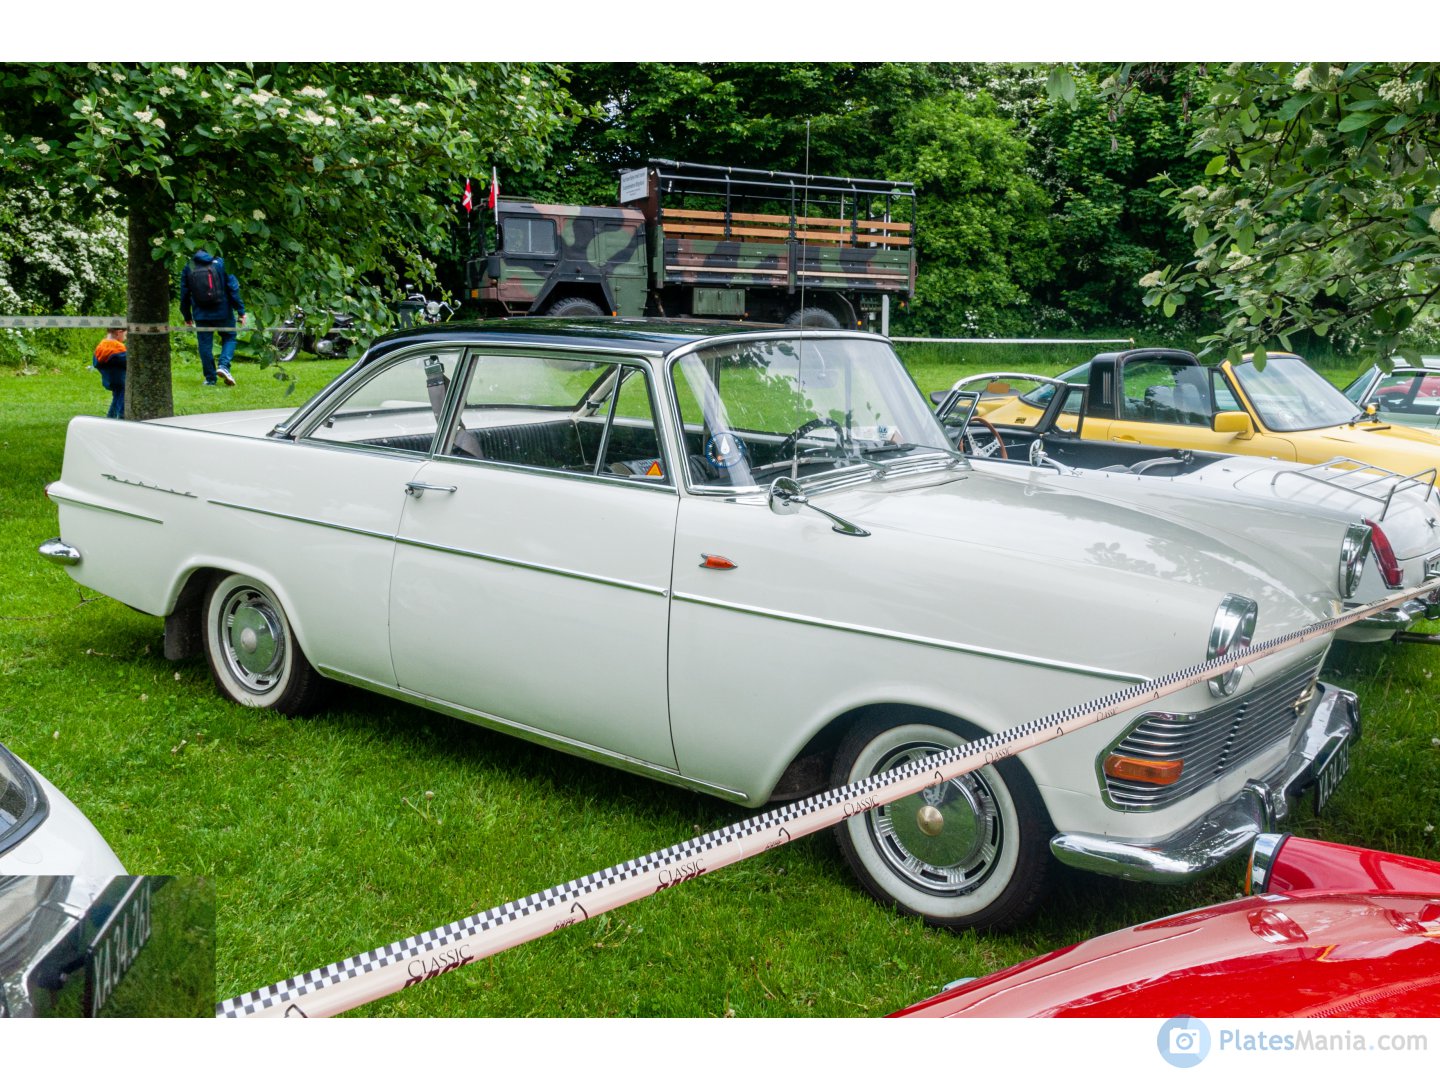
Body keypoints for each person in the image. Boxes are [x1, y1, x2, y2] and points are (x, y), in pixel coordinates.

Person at [179, 249, 246, 386]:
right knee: (229, 337)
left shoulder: (189, 266)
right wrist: (241, 311)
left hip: (201, 313)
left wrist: (187, 316)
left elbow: (184, 294)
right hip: (223, 311)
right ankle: (224, 365)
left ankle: (210, 379)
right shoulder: (221, 263)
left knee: (205, 345)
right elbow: (233, 288)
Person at [92, 325, 127, 419]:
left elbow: (95, 362)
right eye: (125, 334)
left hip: (108, 379)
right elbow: (129, 362)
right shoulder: (118, 348)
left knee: (116, 398)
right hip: (120, 380)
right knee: (122, 400)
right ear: (119, 332)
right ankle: (121, 417)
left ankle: (110, 418)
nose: (125, 338)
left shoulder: (101, 346)